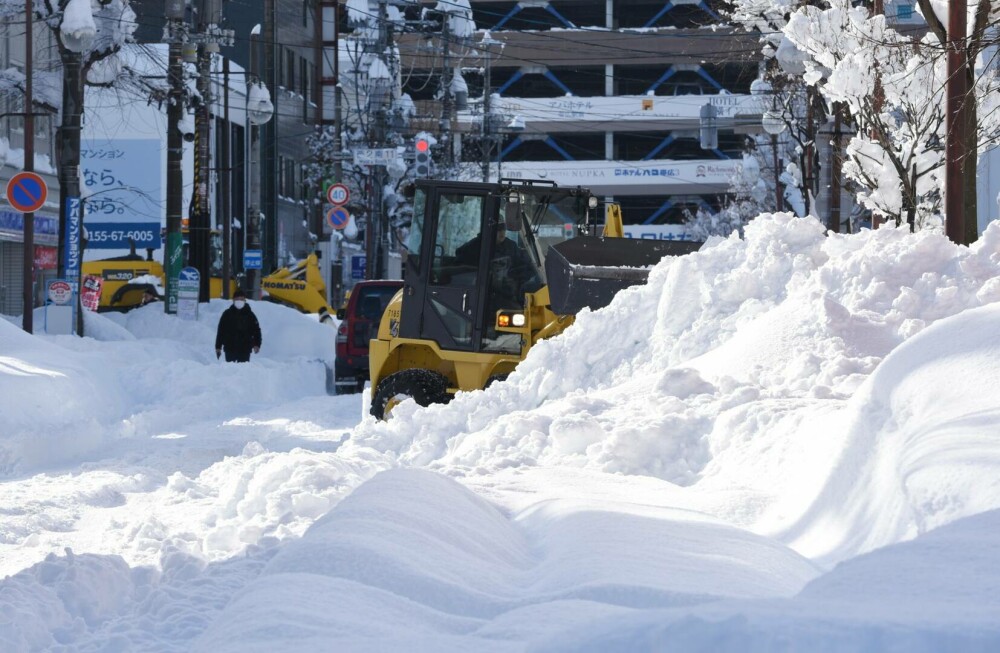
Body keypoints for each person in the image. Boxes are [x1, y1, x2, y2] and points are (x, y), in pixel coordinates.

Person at [215, 289, 262, 362]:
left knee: (243, 371)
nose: (239, 301)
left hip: (245, 349)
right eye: (237, 299)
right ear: (233, 300)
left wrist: (257, 344)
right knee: (230, 370)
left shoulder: (250, 315)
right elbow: (221, 330)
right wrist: (218, 347)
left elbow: (256, 330)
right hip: (230, 348)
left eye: (241, 299)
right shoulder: (227, 314)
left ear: (245, 301)